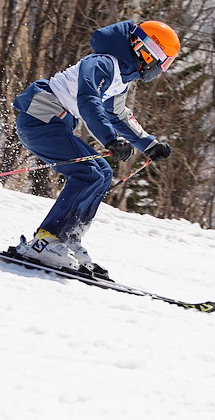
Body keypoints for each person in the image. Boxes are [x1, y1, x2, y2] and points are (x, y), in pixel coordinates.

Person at [10, 20, 179, 280]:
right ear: (146, 52)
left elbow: (118, 115)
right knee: (89, 172)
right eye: (161, 64)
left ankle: (68, 237)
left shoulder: (121, 79)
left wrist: (149, 144)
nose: (159, 71)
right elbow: (88, 101)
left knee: (100, 172)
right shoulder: (102, 63)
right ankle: (47, 241)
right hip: (39, 116)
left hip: (55, 122)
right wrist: (110, 140)